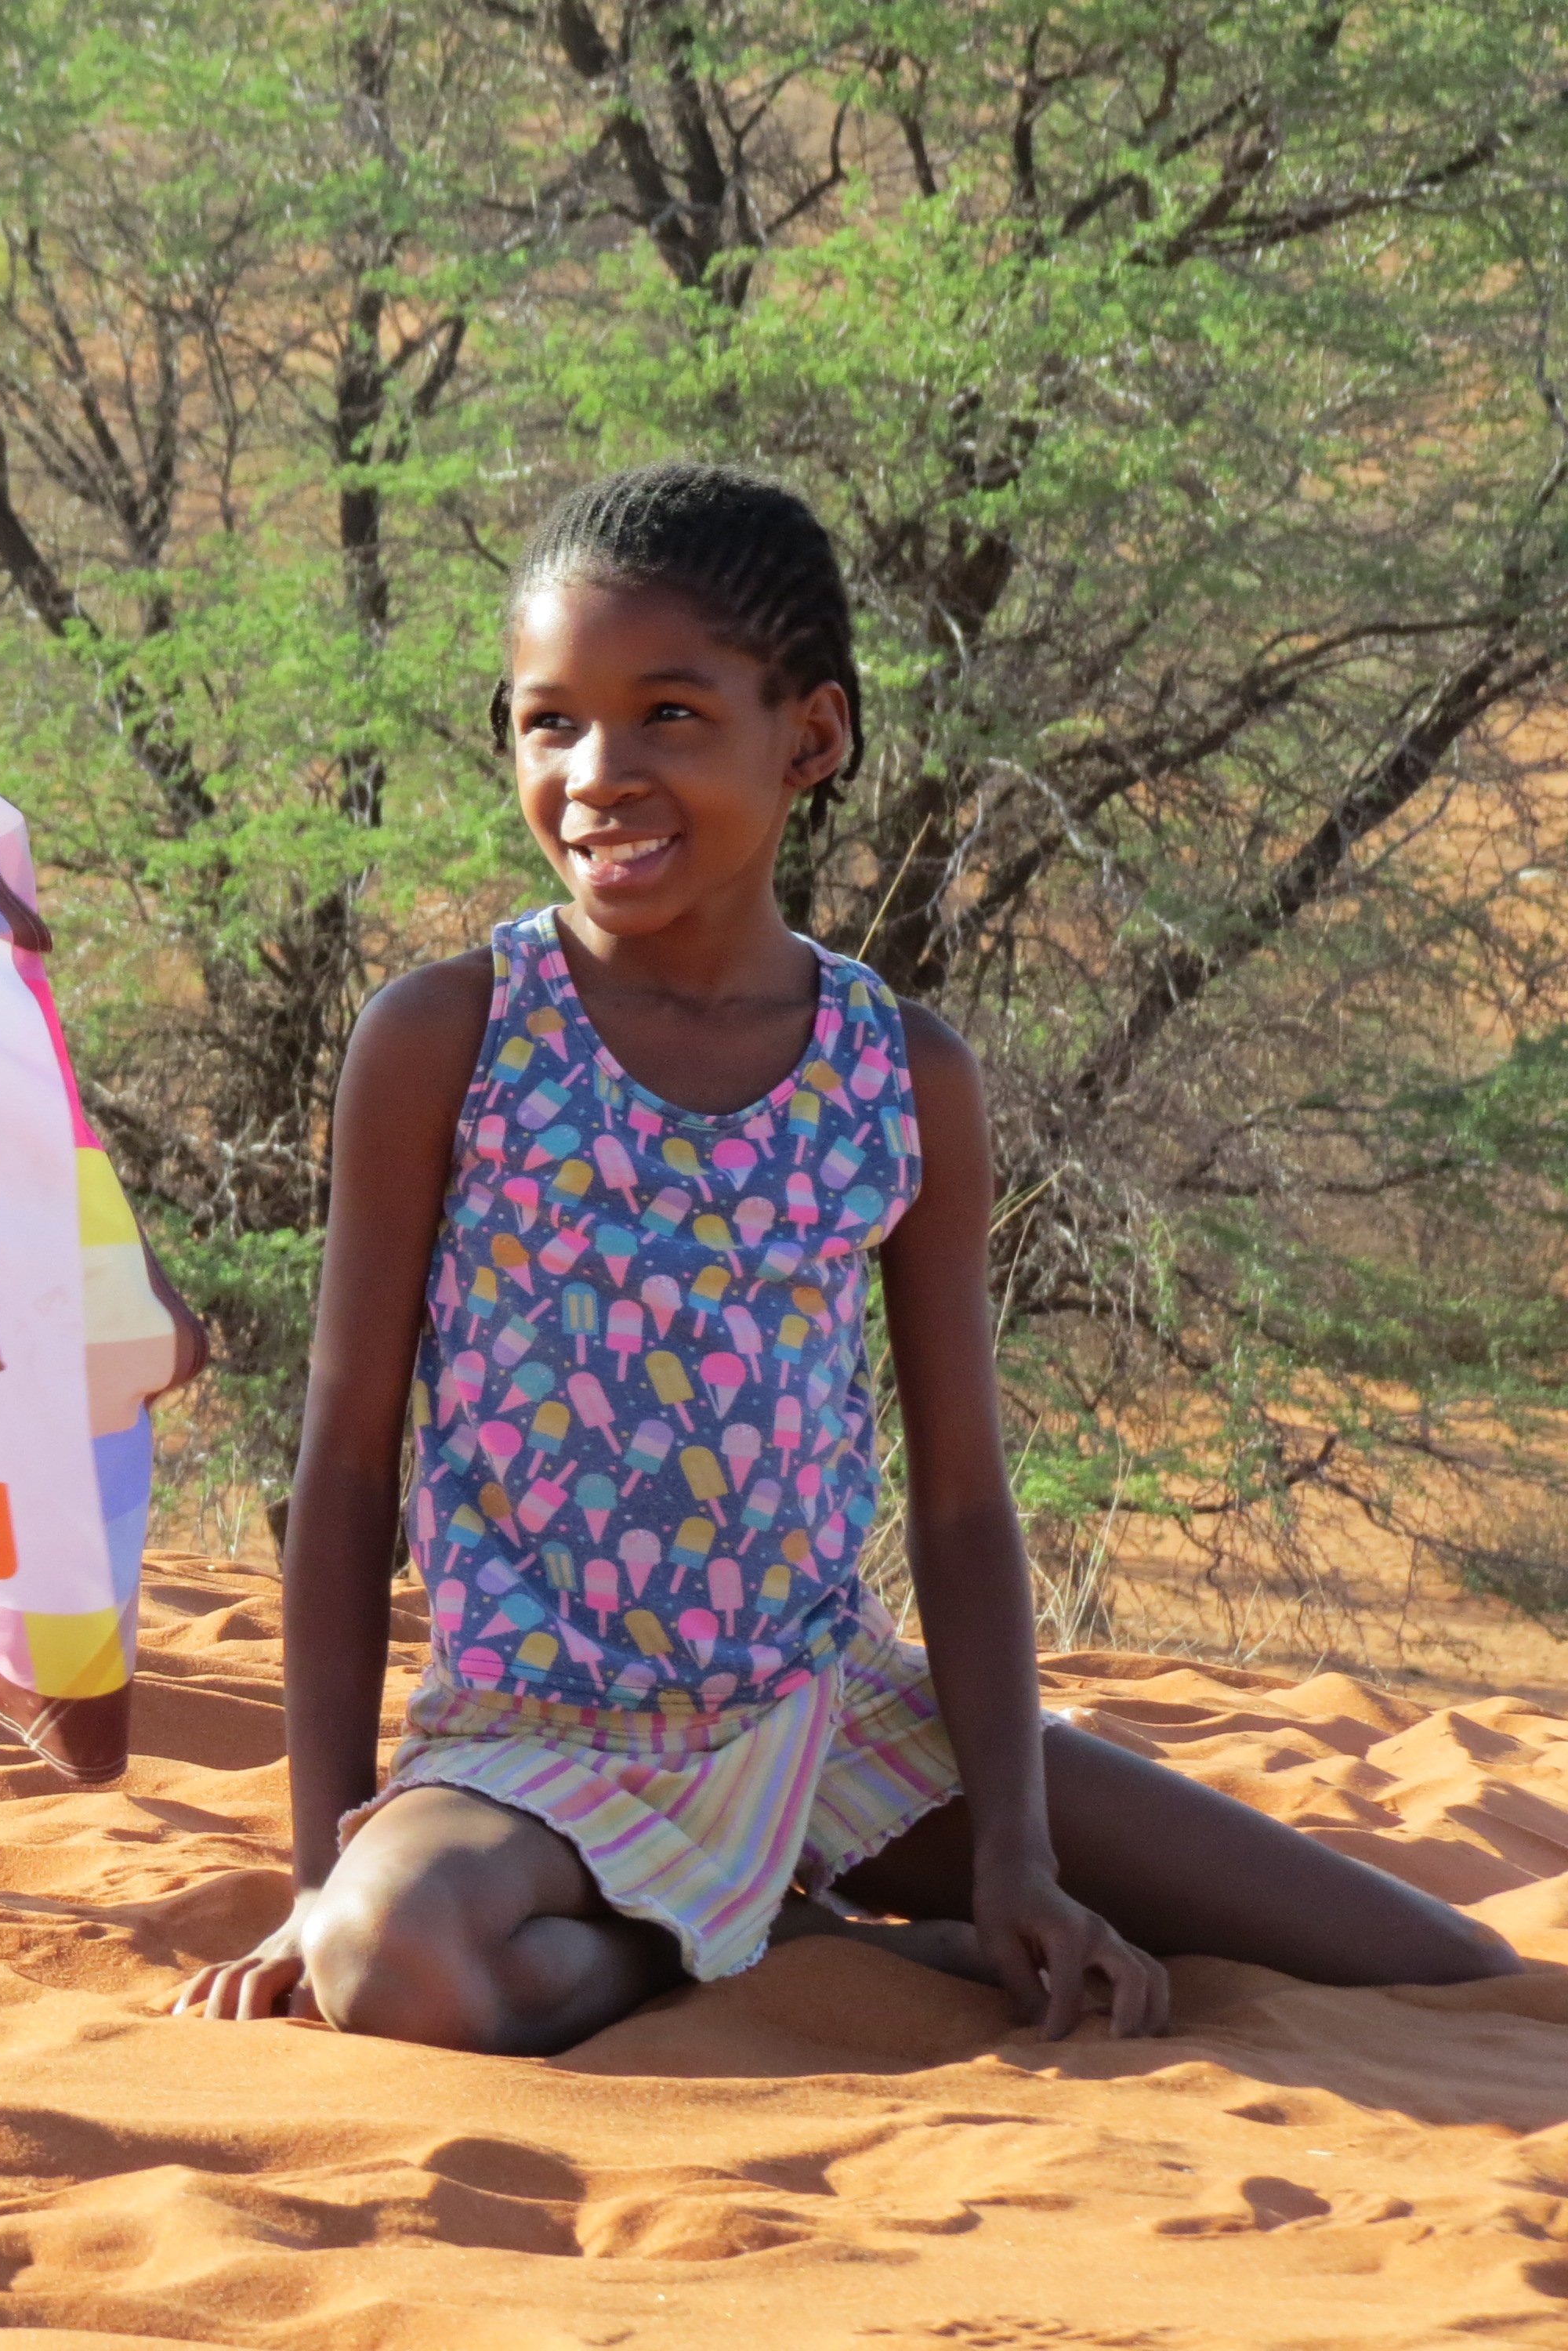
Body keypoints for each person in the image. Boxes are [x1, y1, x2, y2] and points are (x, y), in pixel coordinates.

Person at [169, 463, 1520, 2052]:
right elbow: (341, 1467)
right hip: (525, 1754)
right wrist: (316, 1870)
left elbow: (956, 1498)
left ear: (804, 736)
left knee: (1424, 1962)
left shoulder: (899, 1072)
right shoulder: (445, 1038)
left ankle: (805, 1919)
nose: (595, 771)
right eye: (549, 723)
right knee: (391, 1963)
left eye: (666, 714)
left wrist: (1016, 1854)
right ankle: (782, 1954)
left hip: (828, 1725)